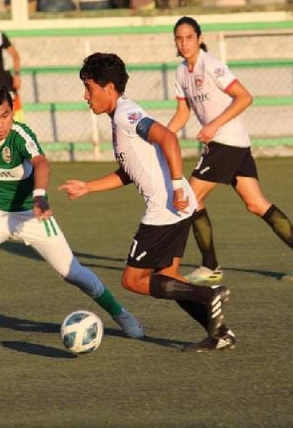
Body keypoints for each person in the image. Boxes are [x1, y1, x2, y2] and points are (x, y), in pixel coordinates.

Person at [58, 53, 235, 352]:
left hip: (166, 208)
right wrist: (88, 187)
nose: (85, 96)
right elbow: (129, 172)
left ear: (109, 87)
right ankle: (220, 333)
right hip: (179, 207)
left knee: (132, 280)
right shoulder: (119, 118)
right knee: (169, 278)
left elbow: (168, 138)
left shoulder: (126, 114)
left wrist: (178, 184)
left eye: (89, 88)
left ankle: (209, 295)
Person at [0, 83, 143, 340]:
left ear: (13, 111)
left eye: (5, 116)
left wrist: (39, 197)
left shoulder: (20, 135)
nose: (0, 125)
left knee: (73, 273)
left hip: (30, 215)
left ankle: (120, 313)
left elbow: (41, 163)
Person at [167, 16, 293, 283]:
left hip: (225, 141)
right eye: (179, 38)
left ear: (199, 38)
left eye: (189, 37)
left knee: (190, 199)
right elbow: (183, 112)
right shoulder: (181, 72)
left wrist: (213, 126)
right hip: (233, 143)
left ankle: (210, 265)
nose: (184, 43)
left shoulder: (212, 65)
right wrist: (163, 136)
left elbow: (245, 97)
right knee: (256, 203)